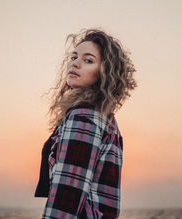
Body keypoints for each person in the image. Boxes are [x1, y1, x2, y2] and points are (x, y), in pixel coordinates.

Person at [35, 28, 137, 218]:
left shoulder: (83, 117)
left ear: (104, 73)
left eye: (88, 60)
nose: (76, 63)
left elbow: (67, 196)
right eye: (74, 57)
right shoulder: (106, 119)